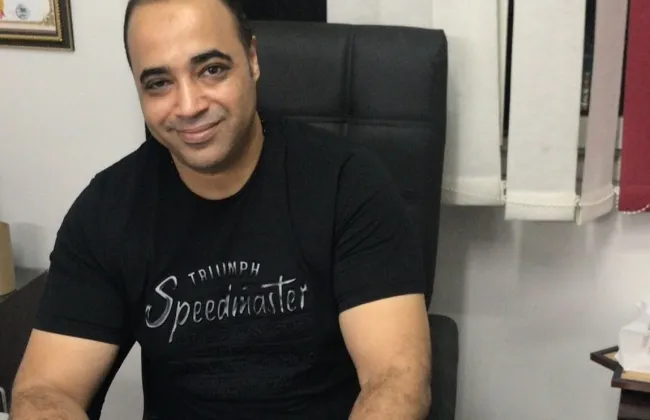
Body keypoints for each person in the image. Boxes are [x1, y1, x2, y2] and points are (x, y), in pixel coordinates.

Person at [10, 0, 432, 419]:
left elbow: (396, 380)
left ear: (252, 59)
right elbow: (45, 391)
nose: (188, 105)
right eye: (159, 83)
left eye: (211, 70)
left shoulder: (348, 183)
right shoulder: (107, 210)